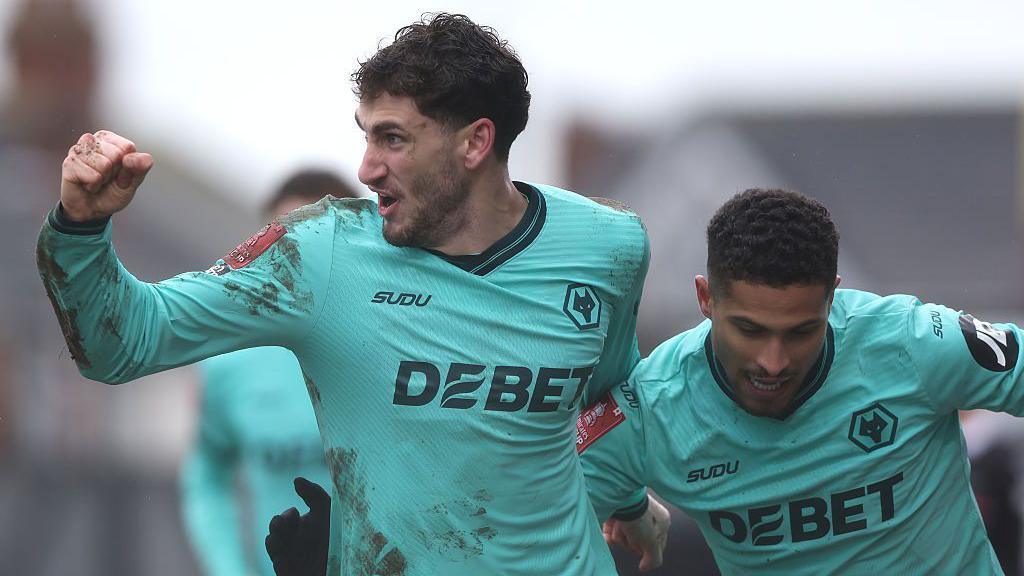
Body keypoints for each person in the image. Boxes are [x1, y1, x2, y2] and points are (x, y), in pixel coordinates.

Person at [36, 12, 660, 576]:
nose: (364, 168)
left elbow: (613, 391)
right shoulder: (320, 254)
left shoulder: (609, 245)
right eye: (365, 136)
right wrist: (81, 229)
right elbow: (123, 344)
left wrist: (627, 499)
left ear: (475, 142)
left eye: (392, 138)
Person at [580, 187, 1022, 574]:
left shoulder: (915, 344)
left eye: (800, 331)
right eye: (750, 330)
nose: (773, 363)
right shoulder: (653, 408)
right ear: (706, 299)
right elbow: (531, 513)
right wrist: (628, 502)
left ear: (832, 296)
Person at [180, 170, 356, 576]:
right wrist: (228, 569)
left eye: (317, 240)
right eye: (281, 241)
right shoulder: (229, 362)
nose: (297, 258)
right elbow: (206, 476)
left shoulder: (395, 350)